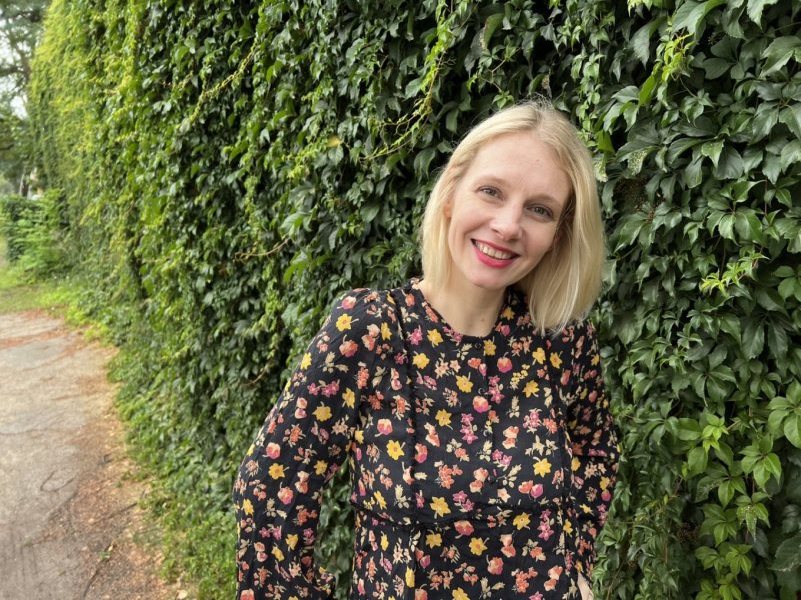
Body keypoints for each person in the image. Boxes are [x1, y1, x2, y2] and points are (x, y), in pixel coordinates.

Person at [233, 100, 620, 600]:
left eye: (539, 210)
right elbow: (270, 490)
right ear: (451, 194)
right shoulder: (372, 330)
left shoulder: (560, 340)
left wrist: (575, 566)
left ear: (557, 237)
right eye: (491, 192)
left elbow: (597, 450)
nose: (508, 225)